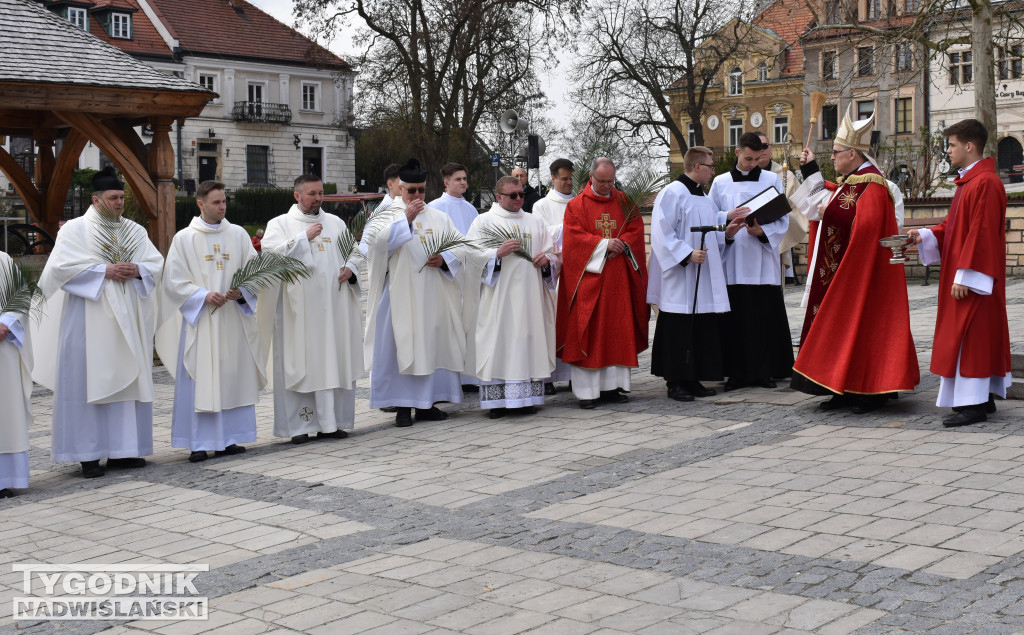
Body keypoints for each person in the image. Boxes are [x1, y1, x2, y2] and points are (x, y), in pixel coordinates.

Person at [33, 166, 163, 479]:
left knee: (127, 380)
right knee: (85, 382)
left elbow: (156, 263)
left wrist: (138, 270)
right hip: (88, 321)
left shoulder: (134, 230)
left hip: (127, 321)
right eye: (113, 197)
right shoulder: (74, 230)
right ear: (95, 199)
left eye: (121, 197)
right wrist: (103, 271)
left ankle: (123, 451)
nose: (119, 203)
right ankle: (87, 455)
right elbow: (60, 271)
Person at [790, 106, 919, 412]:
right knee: (845, 328)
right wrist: (814, 176)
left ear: (853, 153)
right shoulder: (854, 181)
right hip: (846, 269)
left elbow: (869, 226)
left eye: (836, 152)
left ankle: (867, 392)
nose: (832, 157)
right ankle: (842, 389)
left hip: (865, 273)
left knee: (864, 329)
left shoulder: (873, 184)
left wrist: (829, 212)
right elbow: (832, 201)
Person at [907, 119, 1012, 427]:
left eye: (951, 145)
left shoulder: (986, 183)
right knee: (972, 337)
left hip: (973, 279)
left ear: (969, 146)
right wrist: (925, 234)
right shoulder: (971, 182)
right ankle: (984, 398)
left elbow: (982, 234)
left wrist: (966, 276)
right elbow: (955, 229)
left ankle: (975, 405)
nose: (948, 150)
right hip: (966, 275)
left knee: (973, 338)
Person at [157, 180, 263, 462]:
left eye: (224, 201)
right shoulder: (185, 238)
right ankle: (199, 442)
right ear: (201, 204)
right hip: (202, 321)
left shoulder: (239, 235)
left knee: (230, 377)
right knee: (201, 378)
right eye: (216, 202)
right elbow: (173, 281)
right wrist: (202, 295)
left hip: (231, 321)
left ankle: (229, 439)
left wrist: (243, 291)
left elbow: (255, 271)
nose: (222, 206)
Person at [260, 175, 364, 444]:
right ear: (297, 196)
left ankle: (332, 423)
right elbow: (269, 259)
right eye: (312, 194)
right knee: (302, 362)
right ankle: (299, 427)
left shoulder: (335, 223)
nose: (318, 198)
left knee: (332, 360)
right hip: (299, 313)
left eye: (320, 193)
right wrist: (302, 239)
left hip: (333, 310)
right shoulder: (280, 224)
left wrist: (350, 269)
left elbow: (354, 252)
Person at [362, 159, 465, 427]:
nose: (418, 196)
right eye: (412, 191)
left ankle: (427, 403)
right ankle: (403, 407)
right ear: (399, 188)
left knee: (430, 345)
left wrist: (445, 259)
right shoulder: (385, 215)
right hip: (399, 296)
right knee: (401, 346)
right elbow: (375, 248)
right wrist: (405, 220)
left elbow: (462, 246)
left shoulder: (439, 217)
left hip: (432, 294)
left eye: (421, 190)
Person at [649, 147, 744, 401]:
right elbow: (660, 231)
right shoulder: (673, 193)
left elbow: (711, 231)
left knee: (700, 327)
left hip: (703, 276)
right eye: (711, 166)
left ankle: (693, 378)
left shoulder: (704, 197)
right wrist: (686, 254)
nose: (714, 171)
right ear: (698, 167)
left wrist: (726, 234)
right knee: (679, 328)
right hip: (681, 277)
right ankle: (676, 382)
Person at [556, 157, 649, 409]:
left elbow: (635, 229)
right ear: (591, 177)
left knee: (617, 331)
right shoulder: (576, 205)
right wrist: (603, 243)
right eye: (602, 181)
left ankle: (611, 388)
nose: (607, 186)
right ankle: (587, 393)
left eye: (611, 181)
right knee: (591, 331)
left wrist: (623, 243)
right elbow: (573, 239)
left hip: (618, 279)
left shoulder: (625, 201)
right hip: (590, 280)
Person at [464, 175, 558, 418]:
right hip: (499, 298)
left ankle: (525, 399)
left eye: (521, 195)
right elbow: (471, 256)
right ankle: (497, 402)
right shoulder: (483, 222)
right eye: (513, 195)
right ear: (499, 197)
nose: (519, 199)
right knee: (499, 341)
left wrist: (548, 260)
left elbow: (553, 254)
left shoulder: (535, 222)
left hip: (530, 298)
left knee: (526, 339)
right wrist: (496, 253)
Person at [709, 132, 794, 390]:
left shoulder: (771, 180)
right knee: (735, 321)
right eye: (748, 158)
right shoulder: (720, 182)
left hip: (761, 259)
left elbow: (782, 218)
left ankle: (763, 372)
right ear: (737, 153)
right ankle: (735, 374)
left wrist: (763, 232)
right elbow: (711, 217)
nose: (753, 164)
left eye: (757, 159)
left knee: (762, 318)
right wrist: (727, 220)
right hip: (732, 259)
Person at [531, 158, 575, 393]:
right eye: (564, 179)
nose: (568, 183)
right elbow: (541, 234)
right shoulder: (541, 205)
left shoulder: (580, 202)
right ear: (553, 179)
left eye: (570, 178)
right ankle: (547, 377)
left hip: (576, 268)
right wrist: (567, 227)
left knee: (572, 323)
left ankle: (572, 374)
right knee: (550, 322)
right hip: (553, 271)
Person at [0, 252, 33, 497]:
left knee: (5, 412)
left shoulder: (2, 260)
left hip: (2, 345)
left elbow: (20, 297)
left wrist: (6, 323)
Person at [756, 132, 806, 285]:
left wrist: (780, 219)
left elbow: (800, 209)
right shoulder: (738, 178)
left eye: (765, 146)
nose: (762, 150)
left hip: (775, 241)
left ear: (770, 148)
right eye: (757, 147)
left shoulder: (786, 176)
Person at [429, 163, 479, 234]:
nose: (463, 182)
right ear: (446, 183)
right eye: (458, 179)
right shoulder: (434, 207)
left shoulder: (471, 209)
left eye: (464, 179)